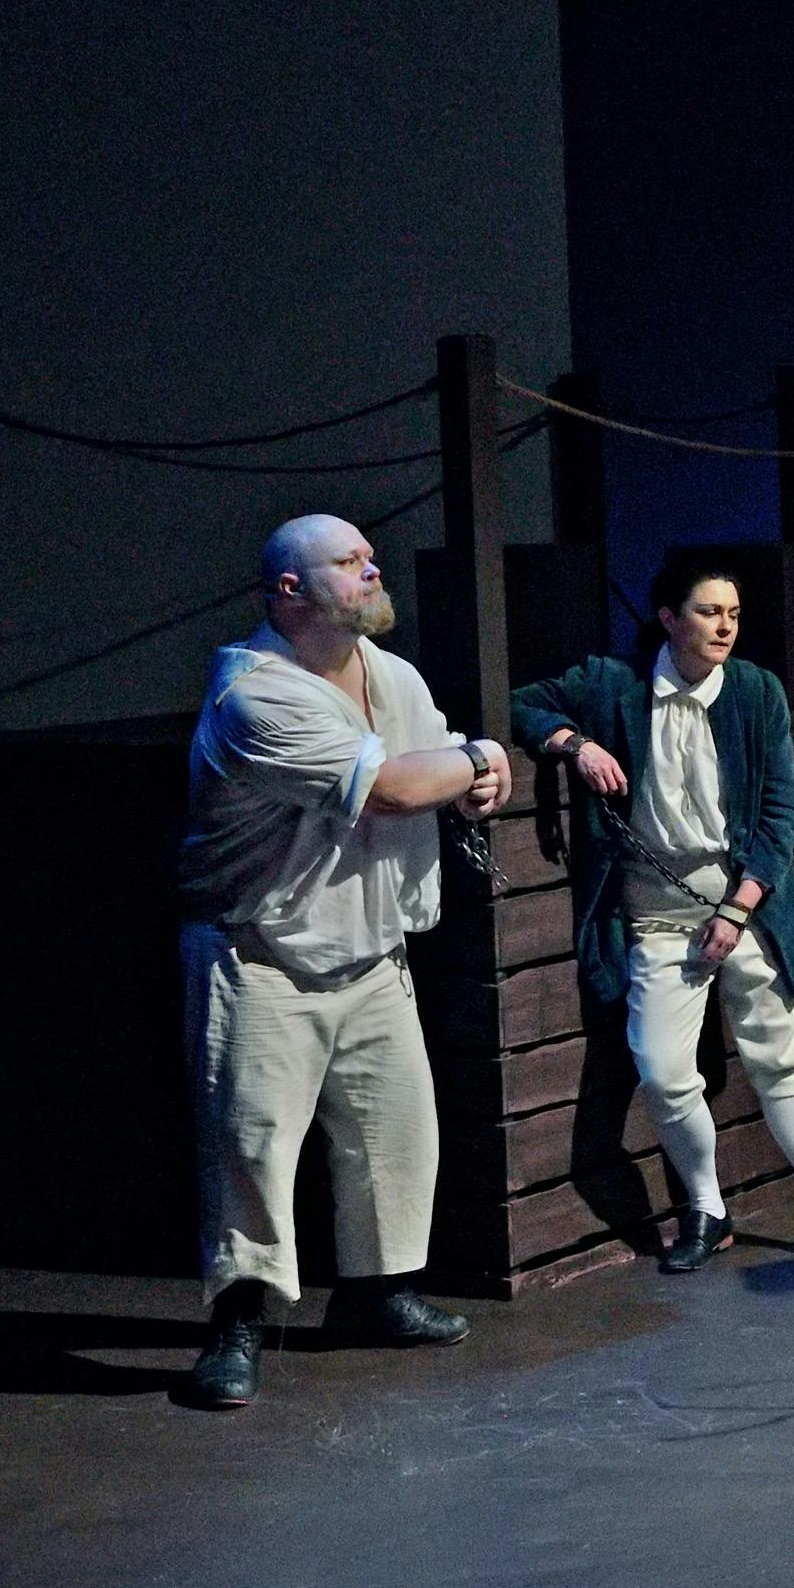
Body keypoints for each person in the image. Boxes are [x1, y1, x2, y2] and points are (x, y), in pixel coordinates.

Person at [176, 513, 513, 1409]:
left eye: (370, 556)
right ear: (290, 590)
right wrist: (482, 755)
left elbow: (440, 770)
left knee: (393, 1132)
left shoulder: (391, 674)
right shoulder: (255, 696)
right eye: (348, 561)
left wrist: (468, 778)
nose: (372, 569)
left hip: (370, 949)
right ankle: (239, 1323)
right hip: (261, 953)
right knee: (252, 1146)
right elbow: (397, 788)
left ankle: (375, 1294)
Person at [509, 561, 794, 1274]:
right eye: (709, 612)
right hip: (657, 914)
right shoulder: (613, 684)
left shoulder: (755, 691)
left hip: (750, 907)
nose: (725, 627)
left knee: (781, 1060)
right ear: (668, 618)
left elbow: (781, 813)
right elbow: (522, 704)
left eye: (733, 614)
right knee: (661, 1070)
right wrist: (574, 745)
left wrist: (738, 909)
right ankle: (707, 1209)